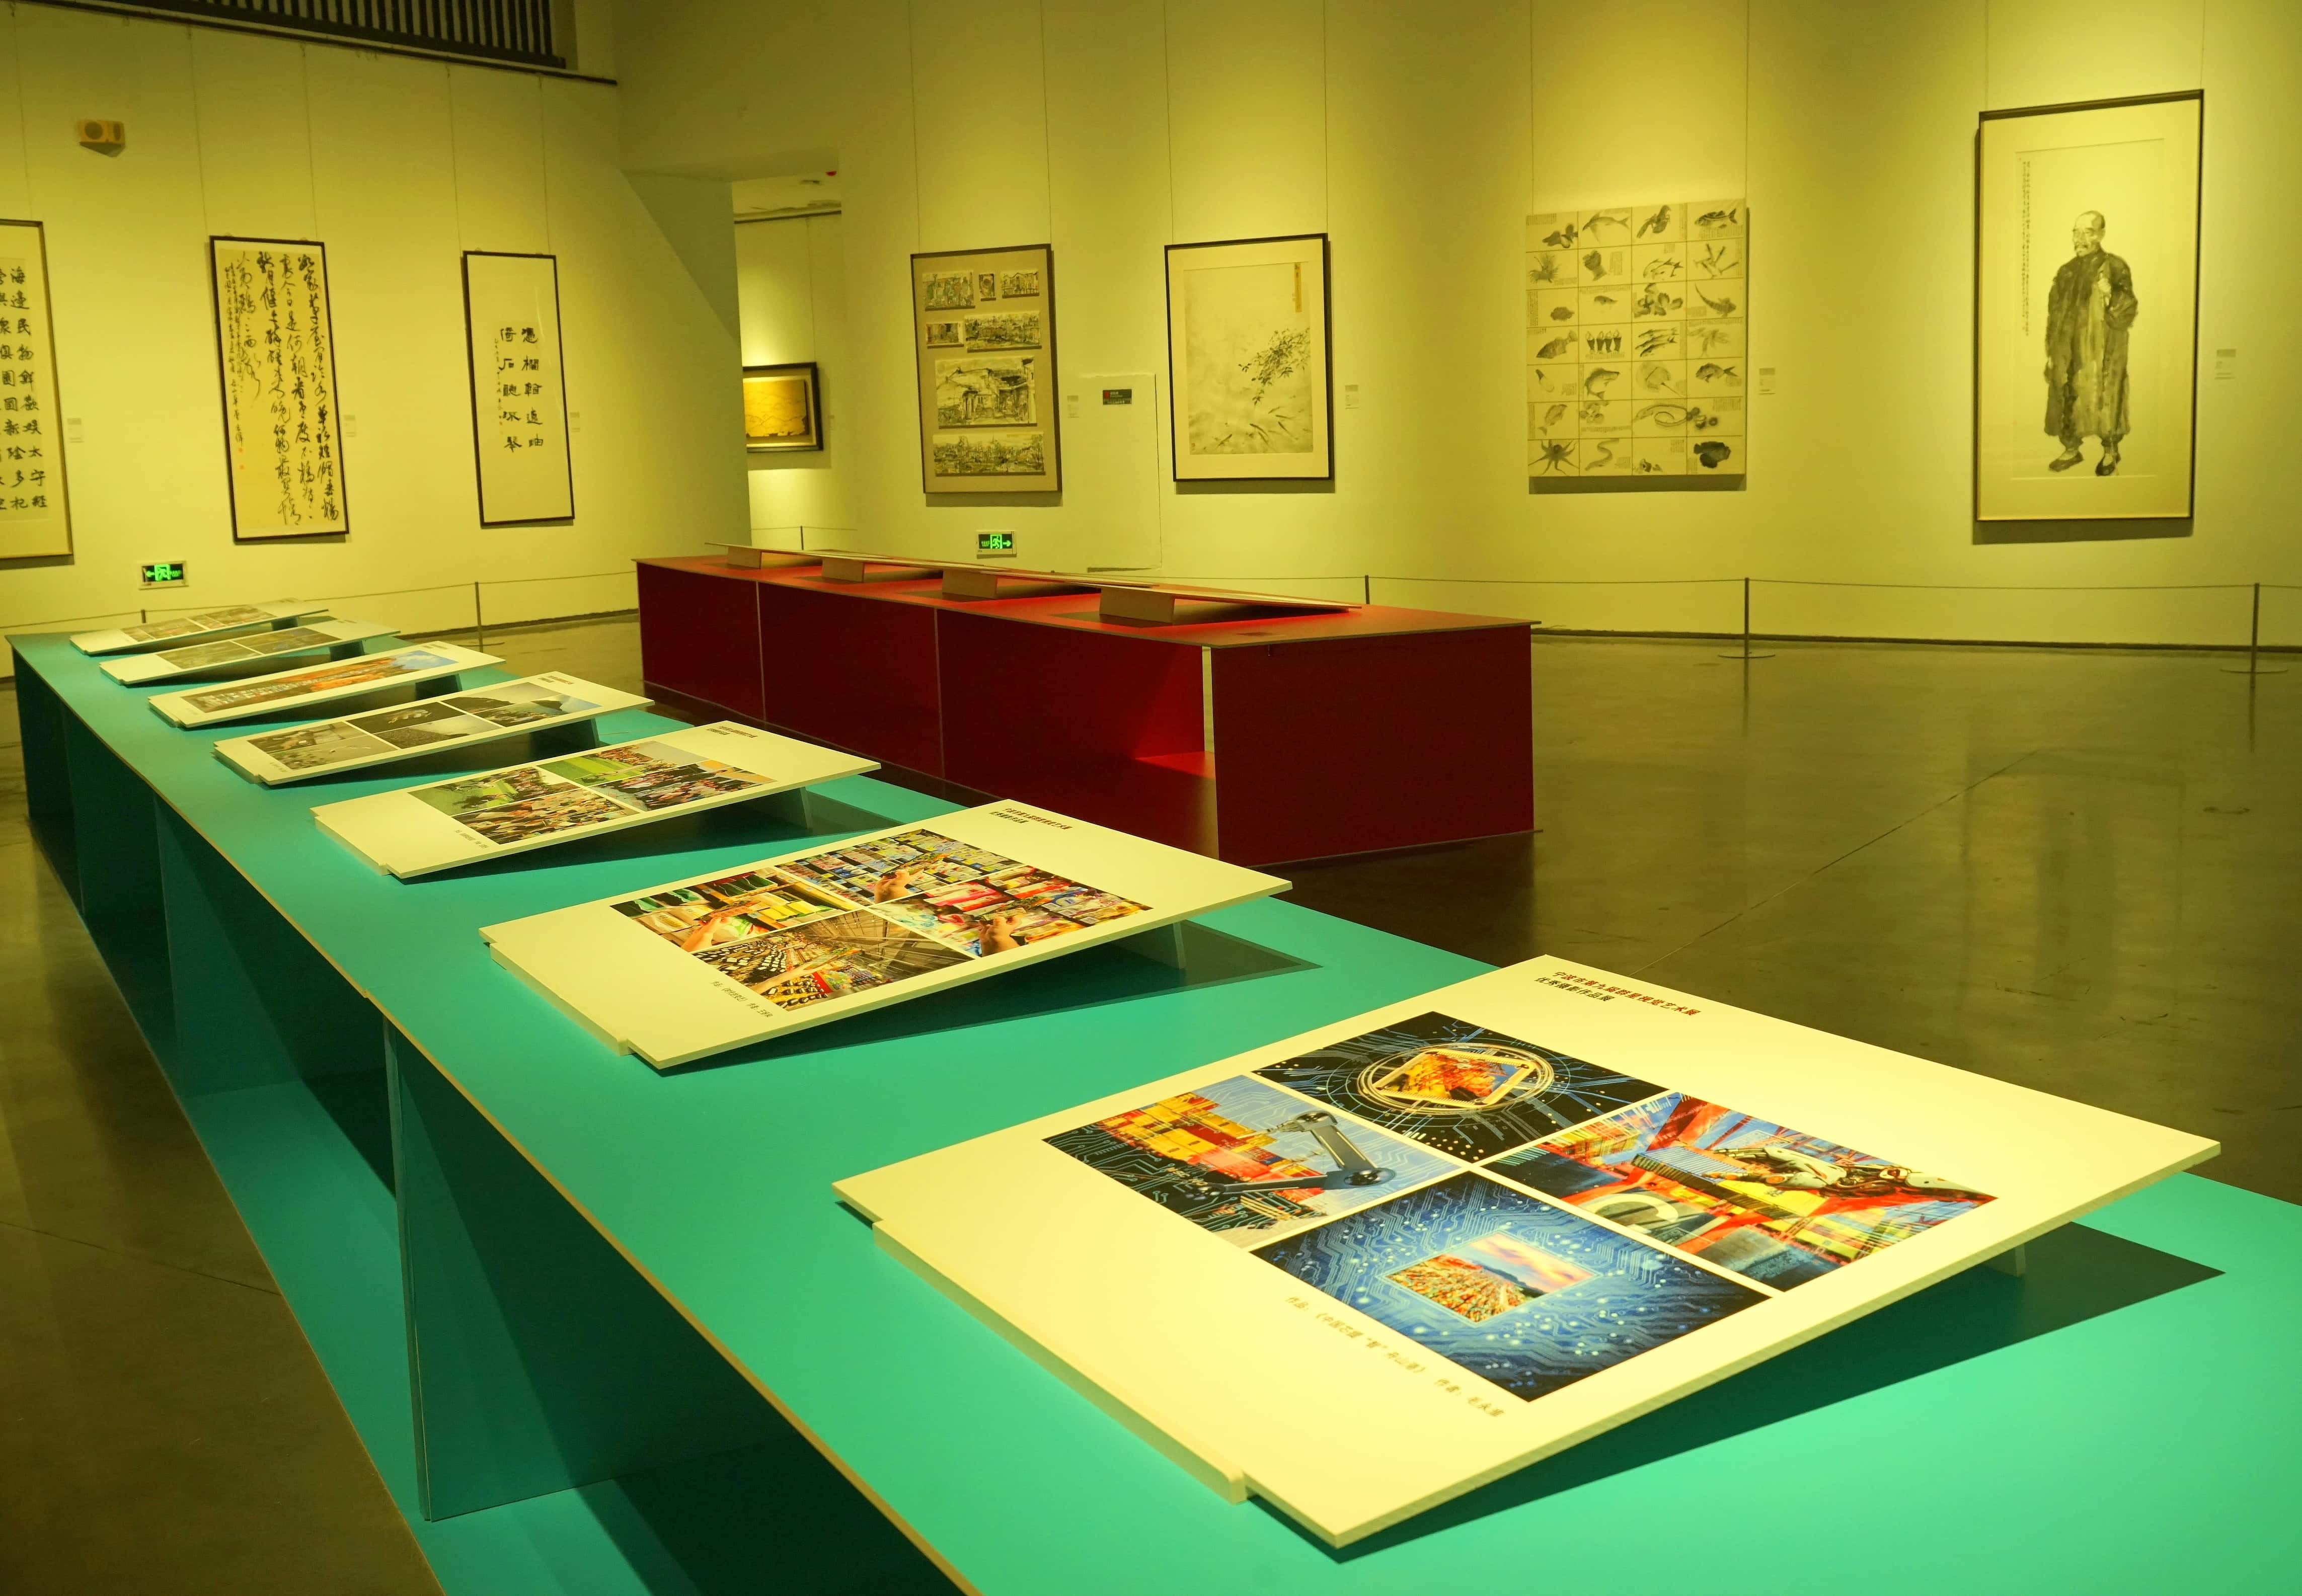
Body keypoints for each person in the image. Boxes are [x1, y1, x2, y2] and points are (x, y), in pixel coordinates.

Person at [2043, 210, 2137, 477]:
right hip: (2069, 350)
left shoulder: (2115, 267)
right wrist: (2051, 351)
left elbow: (2129, 309)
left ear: (2101, 235)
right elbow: (2053, 315)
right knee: (2067, 392)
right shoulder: (2066, 272)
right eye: (2076, 232)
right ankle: (2072, 449)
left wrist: (2111, 295)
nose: (2080, 239)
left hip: (2102, 349)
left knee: (2106, 396)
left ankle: (2110, 451)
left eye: (2088, 232)